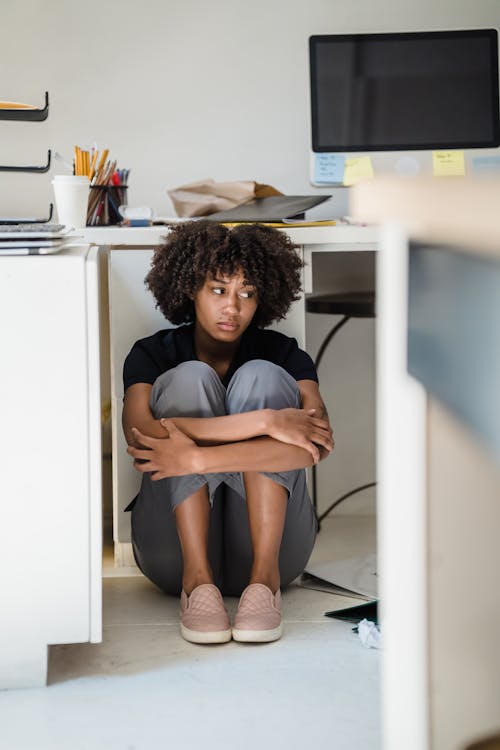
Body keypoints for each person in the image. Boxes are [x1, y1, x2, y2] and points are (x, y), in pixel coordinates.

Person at [122, 220, 333, 645]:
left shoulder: (285, 355)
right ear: (190, 290)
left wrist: (198, 456)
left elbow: (314, 446)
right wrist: (267, 423)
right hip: (172, 556)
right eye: (218, 290)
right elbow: (143, 437)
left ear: (262, 299)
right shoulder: (152, 354)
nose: (232, 308)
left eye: (247, 294)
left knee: (262, 376)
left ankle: (264, 584)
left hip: (278, 554)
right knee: (188, 380)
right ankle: (196, 583)